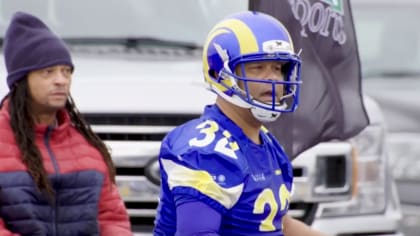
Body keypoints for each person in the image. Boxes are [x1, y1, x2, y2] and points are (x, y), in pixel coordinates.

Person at [153, 11, 328, 236]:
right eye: (258, 67)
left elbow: (277, 223)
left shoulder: (266, 143)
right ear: (221, 73)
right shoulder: (206, 149)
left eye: (277, 68)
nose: (273, 78)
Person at [0, 12, 132, 236]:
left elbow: (112, 219)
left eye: (66, 71)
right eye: (48, 72)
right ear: (22, 80)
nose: (61, 80)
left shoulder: (88, 149)